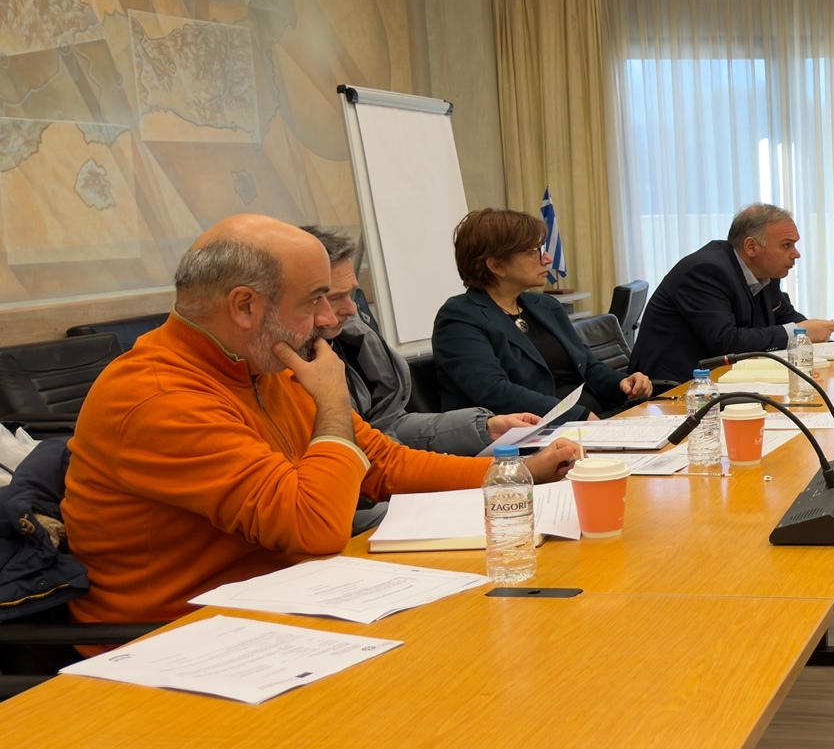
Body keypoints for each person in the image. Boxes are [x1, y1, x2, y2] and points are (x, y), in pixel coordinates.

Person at [63, 215, 582, 627]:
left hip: (283, 602)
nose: (331, 319)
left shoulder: (260, 363)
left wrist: (517, 474)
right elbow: (311, 528)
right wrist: (334, 401)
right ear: (244, 306)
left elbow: (382, 463)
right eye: (315, 300)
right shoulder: (158, 396)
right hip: (181, 635)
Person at [302, 226, 539, 456]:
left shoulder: (353, 343)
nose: (352, 309)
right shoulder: (459, 315)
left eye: (352, 294)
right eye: (333, 298)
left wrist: (482, 428)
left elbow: (388, 427)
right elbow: (372, 456)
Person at [434, 209, 653, 421]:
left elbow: (587, 366)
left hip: (594, 418)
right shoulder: (459, 317)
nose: (547, 258)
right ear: (497, 265)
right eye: (533, 252)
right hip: (530, 433)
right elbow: (494, 391)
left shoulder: (546, 305)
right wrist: (577, 416)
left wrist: (623, 383)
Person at [629, 203, 834, 386]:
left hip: (728, 379)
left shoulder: (765, 271)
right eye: (787, 245)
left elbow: (784, 316)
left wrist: (811, 332)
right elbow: (727, 341)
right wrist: (798, 332)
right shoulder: (706, 271)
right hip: (676, 387)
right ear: (751, 247)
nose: (796, 254)